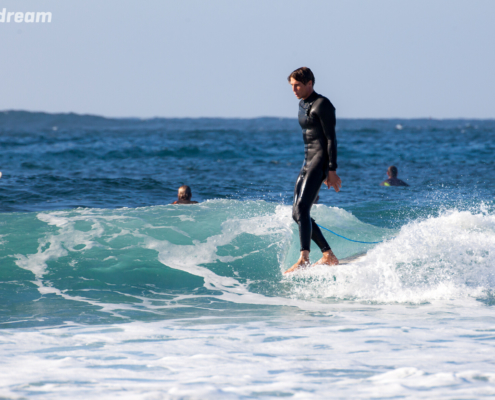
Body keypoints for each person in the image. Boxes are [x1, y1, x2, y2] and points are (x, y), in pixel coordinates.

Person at [284, 67, 341, 274]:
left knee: (302, 208)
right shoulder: (302, 104)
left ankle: (304, 258)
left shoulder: (323, 105)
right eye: (291, 85)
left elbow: (331, 139)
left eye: (297, 85)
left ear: (310, 83)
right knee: (297, 213)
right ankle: (327, 255)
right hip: (307, 162)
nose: (294, 89)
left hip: (318, 163)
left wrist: (331, 170)